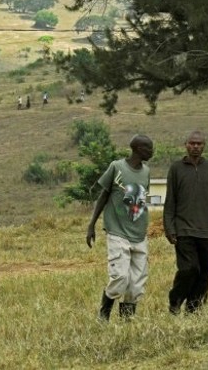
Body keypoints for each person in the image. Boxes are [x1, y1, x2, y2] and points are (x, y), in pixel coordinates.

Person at [86, 134, 154, 321]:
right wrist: (91, 224)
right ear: (138, 149)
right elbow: (103, 196)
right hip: (117, 231)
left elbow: (142, 199)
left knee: (137, 283)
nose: (152, 152)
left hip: (139, 233)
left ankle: (127, 321)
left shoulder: (146, 171)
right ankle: (104, 313)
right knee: (120, 277)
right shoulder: (116, 167)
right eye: (149, 148)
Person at [164, 131, 208, 314]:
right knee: (189, 269)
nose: (196, 146)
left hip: (207, 230)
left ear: (204, 146)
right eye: (192, 143)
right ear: (185, 144)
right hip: (183, 230)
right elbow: (170, 201)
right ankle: (175, 301)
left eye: (199, 144)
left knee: (204, 273)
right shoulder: (176, 169)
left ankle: (194, 309)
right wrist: (169, 228)